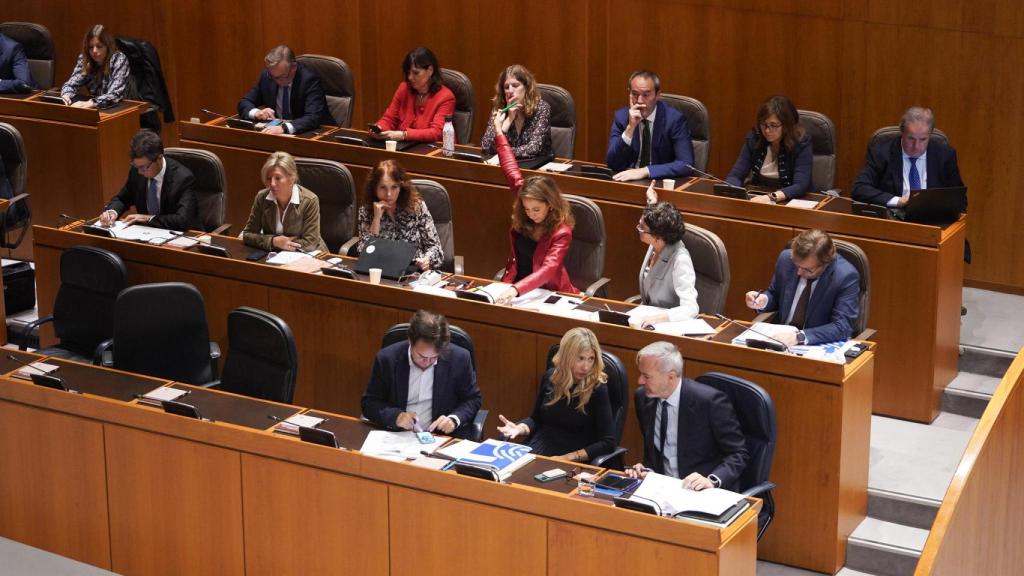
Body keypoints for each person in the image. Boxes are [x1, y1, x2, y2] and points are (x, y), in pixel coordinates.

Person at [627, 341, 748, 491]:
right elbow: (654, 453)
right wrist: (645, 470)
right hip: (664, 489)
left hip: (702, 490)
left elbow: (738, 453)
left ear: (671, 377)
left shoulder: (710, 402)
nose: (640, 381)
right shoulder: (643, 398)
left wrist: (712, 480)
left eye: (646, 376)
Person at [491, 112, 577, 304]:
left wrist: (515, 290)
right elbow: (510, 168)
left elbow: (547, 270)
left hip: (550, 293)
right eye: (527, 209)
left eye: (536, 210)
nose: (530, 214)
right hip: (516, 285)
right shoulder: (526, 201)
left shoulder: (561, 232)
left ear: (550, 204)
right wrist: (498, 131)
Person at [496, 327, 615, 463]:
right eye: (580, 358)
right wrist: (520, 428)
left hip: (574, 457)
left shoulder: (598, 388)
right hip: (539, 447)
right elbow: (536, 419)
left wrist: (567, 458)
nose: (586, 367)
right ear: (566, 357)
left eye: (591, 359)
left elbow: (608, 442)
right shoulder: (551, 377)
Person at [362, 310, 482, 439]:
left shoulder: (459, 358)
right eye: (422, 356)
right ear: (410, 341)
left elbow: (472, 399)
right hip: (397, 435)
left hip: (440, 438)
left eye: (434, 357)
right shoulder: (387, 359)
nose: (427, 362)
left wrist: (454, 419)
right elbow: (369, 403)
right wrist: (396, 416)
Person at [744, 229, 859, 346]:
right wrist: (763, 300)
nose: (799, 272)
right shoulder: (786, 259)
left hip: (815, 344)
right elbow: (775, 294)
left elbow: (842, 327)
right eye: (796, 265)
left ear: (825, 264)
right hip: (779, 338)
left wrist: (799, 337)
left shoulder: (845, 276)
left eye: (807, 269)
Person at [852, 106, 964, 209]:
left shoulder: (944, 156)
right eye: (911, 139)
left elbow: (960, 199)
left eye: (923, 139)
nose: (916, 146)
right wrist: (897, 201)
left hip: (931, 219)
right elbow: (860, 189)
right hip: (893, 216)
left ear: (930, 135)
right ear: (902, 132)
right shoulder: (881, 153)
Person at [99, 129, 197, 230]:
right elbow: (123, 198)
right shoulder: (137, 171)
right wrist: (112, 212)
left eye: (144, 167)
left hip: (177, 235)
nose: (139, 172)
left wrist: (148, 218)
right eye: (136, 166)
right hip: (146, 234)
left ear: (159, 158)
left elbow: (183, 220)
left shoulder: (183, 178)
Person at [606, 69, 694, 182]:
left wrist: (645, 171)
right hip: (629, 181)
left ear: (657, 95)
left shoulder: (674, 120)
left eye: (646, 95)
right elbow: (613, 162)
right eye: (634, 94)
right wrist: (630, 128)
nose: (639, 101)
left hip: (660, 183)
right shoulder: (622, 117)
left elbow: (686, 164)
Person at [356, 159, 444, 271]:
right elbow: (363, 253)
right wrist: (376, 219)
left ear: (401, 187)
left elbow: (436, 249)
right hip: (381, 272)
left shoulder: (416, 207)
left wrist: (427, 260)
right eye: (383, 188)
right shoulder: (366, 210)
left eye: (394, 187)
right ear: (374, 188)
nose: (389, 194)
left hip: (413, 272)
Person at [726, 95, 812, 203]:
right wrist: (731, 189)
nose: (767, 130)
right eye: (764, 124)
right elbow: (735, 176)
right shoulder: (755, 139)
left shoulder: (801, 142)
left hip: (790, 201)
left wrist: (771, 197)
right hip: (757, 198)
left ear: (786, 125)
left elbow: (800, 185)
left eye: (773, 125)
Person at [634, 185, 699, 327]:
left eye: (642, 229)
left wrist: (659, 318)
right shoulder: (656, 244)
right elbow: (652, 219)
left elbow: (691, 308)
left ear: (658, 236)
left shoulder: (680, 259)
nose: (638, 229)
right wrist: (652, 200)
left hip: (668, 326)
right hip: (646, 318)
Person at [241, 151, 328, 252]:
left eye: (278, 178)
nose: (272, 184)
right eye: (269, 178)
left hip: (310, 256)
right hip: (276, 255)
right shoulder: (262, 198)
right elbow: (247, 235)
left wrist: (283, 243)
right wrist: (273, 241)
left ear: (291, 179)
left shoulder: (310, 200)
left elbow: (311, 243)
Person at [237, 44, 334, 135]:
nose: (278, 81)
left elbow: (313, 117)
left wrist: (284, 128)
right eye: (274, 77)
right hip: (276, 133)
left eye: (283, 76)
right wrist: (257, 113)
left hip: (312, 134)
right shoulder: (267, 77)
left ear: (294, 67)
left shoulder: (309, 80)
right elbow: (244, 102)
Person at [370, 47, 455, 143]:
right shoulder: (404, 89)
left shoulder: (446, 97)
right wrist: (379, 128)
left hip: (434, 151)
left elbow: (437, 132)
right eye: (408, 73)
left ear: (430, 70)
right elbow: (389, 119)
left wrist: (404, 135)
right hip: (406, 149)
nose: (410, 77)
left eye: (415, 73)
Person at [480, 64, 552, 161]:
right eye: (506, 87)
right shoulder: (500, 109)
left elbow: (533, 148)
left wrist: (503, 151)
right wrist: (508, 121)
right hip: (507, 164)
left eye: (515, 85)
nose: (510, 91)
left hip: (536, 165)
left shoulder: (542, 108)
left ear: (526, 87)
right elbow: (486, 147)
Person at [60, 25, 129, 109]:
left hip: (120, 108)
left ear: (108, 46)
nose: (94, 51)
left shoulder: (119, 59)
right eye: (90, 47)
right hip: (97, 108)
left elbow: (115, 94)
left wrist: (92, 103)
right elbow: (70, 85)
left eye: (99, 46)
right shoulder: (85, 59)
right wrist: (66, 95)